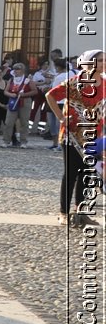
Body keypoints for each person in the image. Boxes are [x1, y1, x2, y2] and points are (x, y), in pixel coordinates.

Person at [45, 49, 103, 226]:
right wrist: (61, 118)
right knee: (71, 174)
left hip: (94, 136)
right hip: (72, 135)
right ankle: (63, 212)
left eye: (105, 60)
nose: (103, 63)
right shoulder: (76, 82)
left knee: (88, 173)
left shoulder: (105, 83)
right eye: (100, 60)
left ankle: (80, 211)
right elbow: (51, 96)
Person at [3, 60, 35, 147]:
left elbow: (34, 91)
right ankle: (6, 141)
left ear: (23, 70)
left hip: (25, 101)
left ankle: (23, 141)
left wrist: (24, 94)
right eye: (15, 69)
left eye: (18, 69)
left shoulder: (27, 80)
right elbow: (5, 91)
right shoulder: (11, 79)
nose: (16, 70)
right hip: (13, 101)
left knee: (24, 122)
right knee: (9, 122)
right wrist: (11, 94)